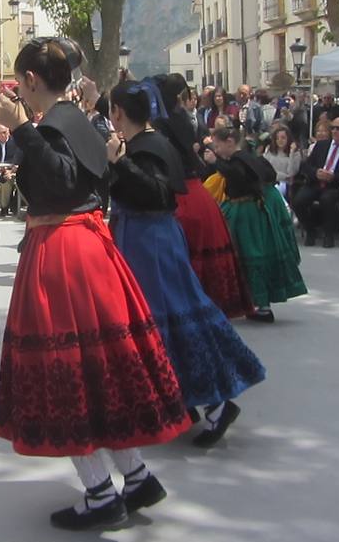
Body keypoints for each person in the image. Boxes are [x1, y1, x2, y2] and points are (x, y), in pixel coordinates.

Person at [0, 38, 189, 531]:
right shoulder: (83, 119)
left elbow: (58, 181)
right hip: (90, 248)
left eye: (20, 83)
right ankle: (136, 475)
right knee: (97, 371)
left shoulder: (52, 125)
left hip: (61, 251)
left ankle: (101, 492)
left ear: (31, 82)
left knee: (67, 371)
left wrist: (21, 131)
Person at [107, 81, 265, 448]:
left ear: (118, 113)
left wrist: (121, 163)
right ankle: (185, 399)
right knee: (167, 320)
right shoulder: (147, 142)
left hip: (152, 243)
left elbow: (158, 193)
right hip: (146, 239)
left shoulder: (148, 145)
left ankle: (214, 403)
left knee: (171, 320)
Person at [153, 74, 257, 321]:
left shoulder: (163, 122)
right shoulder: (186, 119)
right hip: (196, 192)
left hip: (179, 193)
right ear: (181, 96)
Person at [204, 126, 307, 321]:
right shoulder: (248, 158)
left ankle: (261, 306)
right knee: (247, 255)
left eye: (218, 145)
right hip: (245, 210)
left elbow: (238, 176)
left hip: (246, 214)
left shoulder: (240, 160)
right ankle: (255, 303)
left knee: (250, 255)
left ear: (230, 142)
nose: (216, 150)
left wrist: (215, 162)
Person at [292, 117, 339, 248]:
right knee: (298, 200)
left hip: (336, 186)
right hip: (316, 183)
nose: (334, 131)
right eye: (332, 128)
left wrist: (334, 177)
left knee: (327, 199)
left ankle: (329, 235)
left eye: (338, 128)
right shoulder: (321, 145)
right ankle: (310, 231)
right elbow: (306, 166)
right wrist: (316, 172)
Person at [0, 123, 22, 217]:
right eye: (1, 133)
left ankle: (4, 208)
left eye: (6, 132)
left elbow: (16, 159)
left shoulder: (15, 143)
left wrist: (8, 169)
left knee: (6, 180)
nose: (4, 135)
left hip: (11, 171)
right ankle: (9, 203)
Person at [263, 123, 303, 197]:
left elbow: (291, 174)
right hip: (269, 182)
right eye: (277, 138)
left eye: (283, 138)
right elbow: (264, 168)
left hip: (284, 184)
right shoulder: (269, 149)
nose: (280, 140)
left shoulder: (295, 153)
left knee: (275, 192)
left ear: (288, 138)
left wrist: (291, 153)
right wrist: (283, 175)